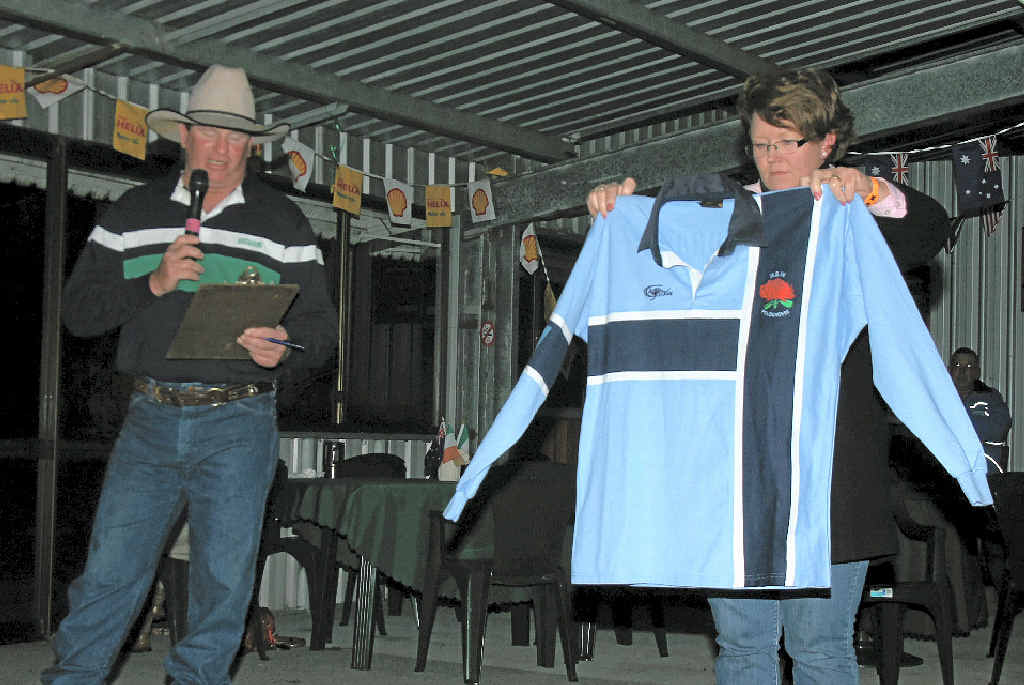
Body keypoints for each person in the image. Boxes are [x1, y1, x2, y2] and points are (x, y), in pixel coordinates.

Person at [585, 68, 957, 684]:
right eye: (762, 144)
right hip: (734, 471)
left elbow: (928, 229)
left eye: (791, 144)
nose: (774, 159)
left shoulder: (847, 208)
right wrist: (613, 208)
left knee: (820, 647)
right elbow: (647, 259)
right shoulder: (721, 214)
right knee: (744, 647)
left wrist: (868, 192)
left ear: (829, 143)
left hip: (829, 474)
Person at [42, 65, 336, 685]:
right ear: (185, 133)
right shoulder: (133, 211)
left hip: (240, 417)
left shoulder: (285, 222)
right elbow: (78, 313)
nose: (222, 148)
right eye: (210, 132)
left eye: (236, 136)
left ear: (253, 145)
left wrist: (282, 347)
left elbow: (321, 331)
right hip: (149, 416)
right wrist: (153, 281)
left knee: (225, 578)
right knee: (111, 570)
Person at [949, 346, 1012, 473]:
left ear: (977, 372)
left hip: (984, 472)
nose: (962, 371)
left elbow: (1000, 429)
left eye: (969, 366)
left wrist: (957, 425)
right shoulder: (936, 398)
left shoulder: (992, 397)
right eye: (957, 365)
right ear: (949, 370)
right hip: (945, 472)